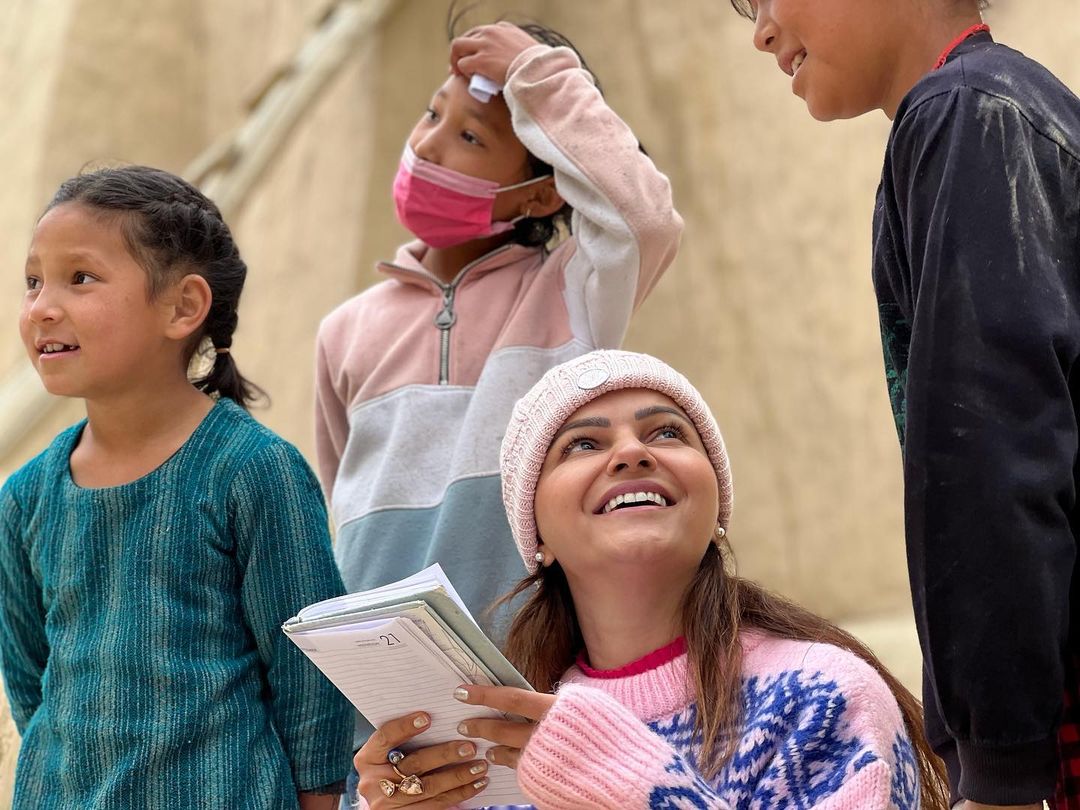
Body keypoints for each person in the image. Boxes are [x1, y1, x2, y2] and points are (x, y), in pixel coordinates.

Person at [730, 0, 1080, 806]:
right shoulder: (979, 110)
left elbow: (990, 453)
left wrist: (999, 767)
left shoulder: (965, 115)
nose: (762, 31)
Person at [351, 350, 950, 809]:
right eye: (582, 444)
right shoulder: (497, 742)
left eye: (667, 433)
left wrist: (636, 787)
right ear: (538, 539)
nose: (632, 453)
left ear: (716, 508)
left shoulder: (824, 695)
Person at [313, 16, 682, 641]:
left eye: (469, 138)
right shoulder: (344, 331)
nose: (427, 148)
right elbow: (339, 508)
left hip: (529, 663)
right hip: (376, 673)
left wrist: (539, 77)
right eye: (432, 116)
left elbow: (645, 219)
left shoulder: (571, 294)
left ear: (539, 196)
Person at [1, 165, 353, 808]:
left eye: (80, 278)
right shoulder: (23, 499)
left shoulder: (253, 470)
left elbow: (311, 674)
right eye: (33, 282)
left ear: (184, 307)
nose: (43, 306)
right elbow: (31, 680)